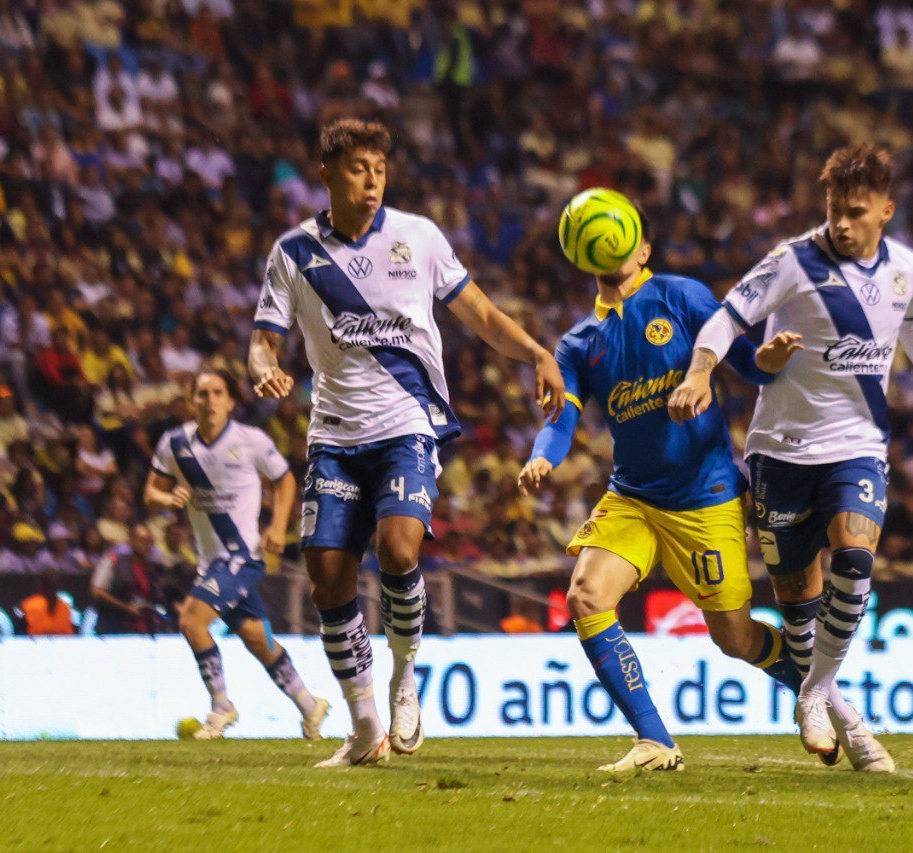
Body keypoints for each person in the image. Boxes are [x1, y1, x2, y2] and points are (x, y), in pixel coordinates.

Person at [248, 117, 563, 768]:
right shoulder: (294, 252)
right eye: (359, 168)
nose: (372, 180)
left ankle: (404, 674)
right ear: (328, 173)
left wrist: (536, 353)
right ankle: (363, 726)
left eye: (380, 169)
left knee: (398, 548)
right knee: (327, 578)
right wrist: (262, 368)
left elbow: (478, 312)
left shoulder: (418, 237)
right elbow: (264, 338)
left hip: (407, 424)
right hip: (335, 433)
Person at [670, 144, 913, 772]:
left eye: (856, 213)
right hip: (780, 451)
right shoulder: (791, 262)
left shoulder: (907, 267)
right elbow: (725, 318)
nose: (842, 224)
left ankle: (810, 694)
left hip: (857, 447)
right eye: (834, 211)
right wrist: (699, 374)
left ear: (886, 209)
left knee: (855, 560)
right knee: (798, 602)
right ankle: (839, 710)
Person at [518, 200, 810, 773]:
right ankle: (655, 741)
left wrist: (769, 360)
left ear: (644, 249)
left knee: (734, 638)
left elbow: (745, 362)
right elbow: (561, 420)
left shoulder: (683, 296)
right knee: (585, 597)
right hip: (632, 497)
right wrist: (540, 458)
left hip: (705, 498)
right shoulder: (579, 343)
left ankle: (811, 689)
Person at [144, 369, 330, 741]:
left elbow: (285, 479)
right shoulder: (175, 443)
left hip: (242, 556)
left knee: (192, 622)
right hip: (210, 561)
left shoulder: (251, 441)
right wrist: (167, 498)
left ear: (230, 401)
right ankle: (310, 706)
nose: (209, 400)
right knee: (256, 639)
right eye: (201, 393)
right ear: (191, 401)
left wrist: (277, 526)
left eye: (217, 393)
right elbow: (151, 493)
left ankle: (221, 707)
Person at [91, 523, 163, 635]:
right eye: (143, 540)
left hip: (146, 629)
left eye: (150, 541)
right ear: (131, 541)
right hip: (115, 627)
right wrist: (125, 607)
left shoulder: (153, 568)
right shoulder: (113, 561)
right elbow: (97, 591)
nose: (147, 545)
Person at [21, 571, 76, 636]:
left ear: (40, 584)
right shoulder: (65, 607)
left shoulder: (28, 605)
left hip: (35, 644)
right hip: (60, 644)